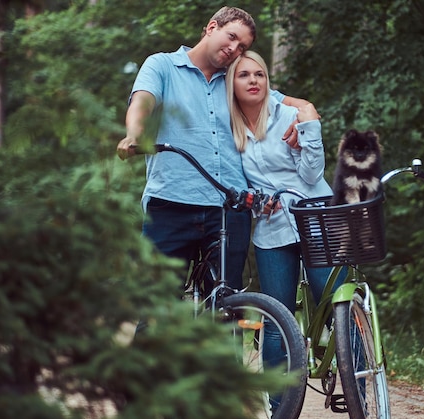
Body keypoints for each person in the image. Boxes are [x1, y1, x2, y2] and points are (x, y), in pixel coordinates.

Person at [116, 7, 302, 291]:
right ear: (211, 27)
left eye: (242, 47)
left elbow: (280, 103)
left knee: (226, 308)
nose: (234, 49)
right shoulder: (162, 66)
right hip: (170, 204)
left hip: (229, 209)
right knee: (156, 307)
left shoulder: (235, 80)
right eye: (231, 37)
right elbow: (143, 101)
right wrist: (135, 133)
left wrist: (305, 115)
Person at [226, 50, 346, 318]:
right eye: (243, 75)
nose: (253, 81)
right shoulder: (227, 129)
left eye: (260, 74)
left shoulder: (289, 115)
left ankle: (357, 362)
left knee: (336, 311)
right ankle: (283, 361)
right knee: (276, 319)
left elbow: (313, 175)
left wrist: (310, 128)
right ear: (230, 83)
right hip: (272, 230)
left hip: (316, 219)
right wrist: (256, 203)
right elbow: (233, 180)